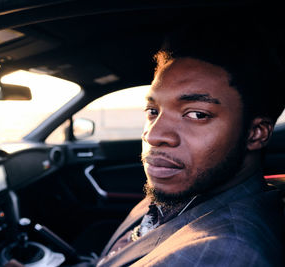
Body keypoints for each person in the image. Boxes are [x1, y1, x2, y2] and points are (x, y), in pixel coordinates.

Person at [95, 21, 285, 266]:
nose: (153, 135)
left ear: (256, 133)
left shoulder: (222, 251)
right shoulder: (186, 190)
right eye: (153, 110)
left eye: (196, 114)